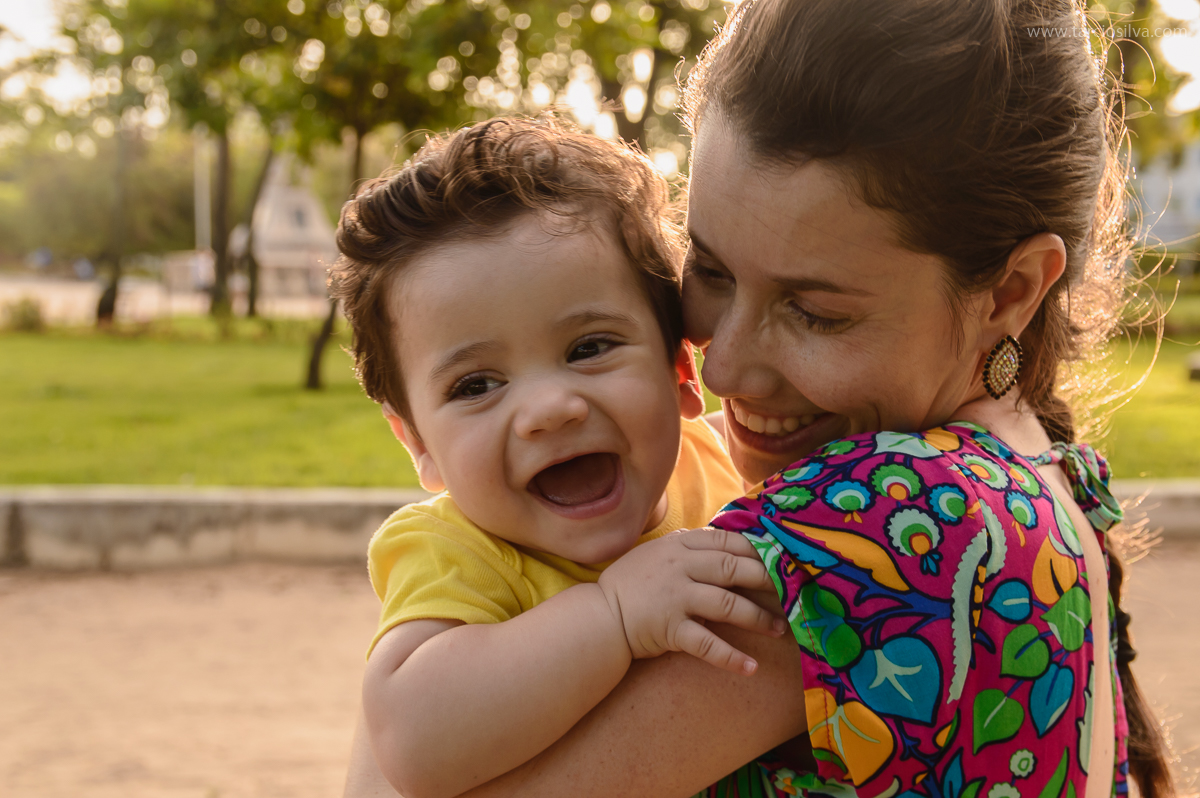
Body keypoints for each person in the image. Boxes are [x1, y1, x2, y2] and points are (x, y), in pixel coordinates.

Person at [343, 0, 1175, 796]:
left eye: (816, 311)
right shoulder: (1024, 470)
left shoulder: (879, 528)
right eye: (709, 271)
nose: (721, 369)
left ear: (1011, 290)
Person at [331, 117, 786, 798]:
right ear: (419, 444)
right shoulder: (457, 553)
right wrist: (613, 615)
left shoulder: (711, 460)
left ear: (680, 372)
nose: (549, 409)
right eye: (476, 386)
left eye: (589, 348)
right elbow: (411, 739)